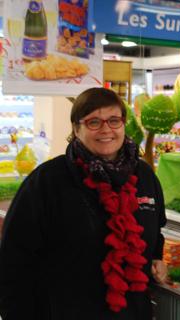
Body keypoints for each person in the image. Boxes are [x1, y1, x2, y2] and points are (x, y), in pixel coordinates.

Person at [0, 87, 168, 319]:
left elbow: (155, 230)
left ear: (123, 124)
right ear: (76, 129)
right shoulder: (48, 180)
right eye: (93, 122)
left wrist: (156, 257)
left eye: (113, 120)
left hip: (132, 312)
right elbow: (14, 260)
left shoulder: (145, 176)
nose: (106, 129)